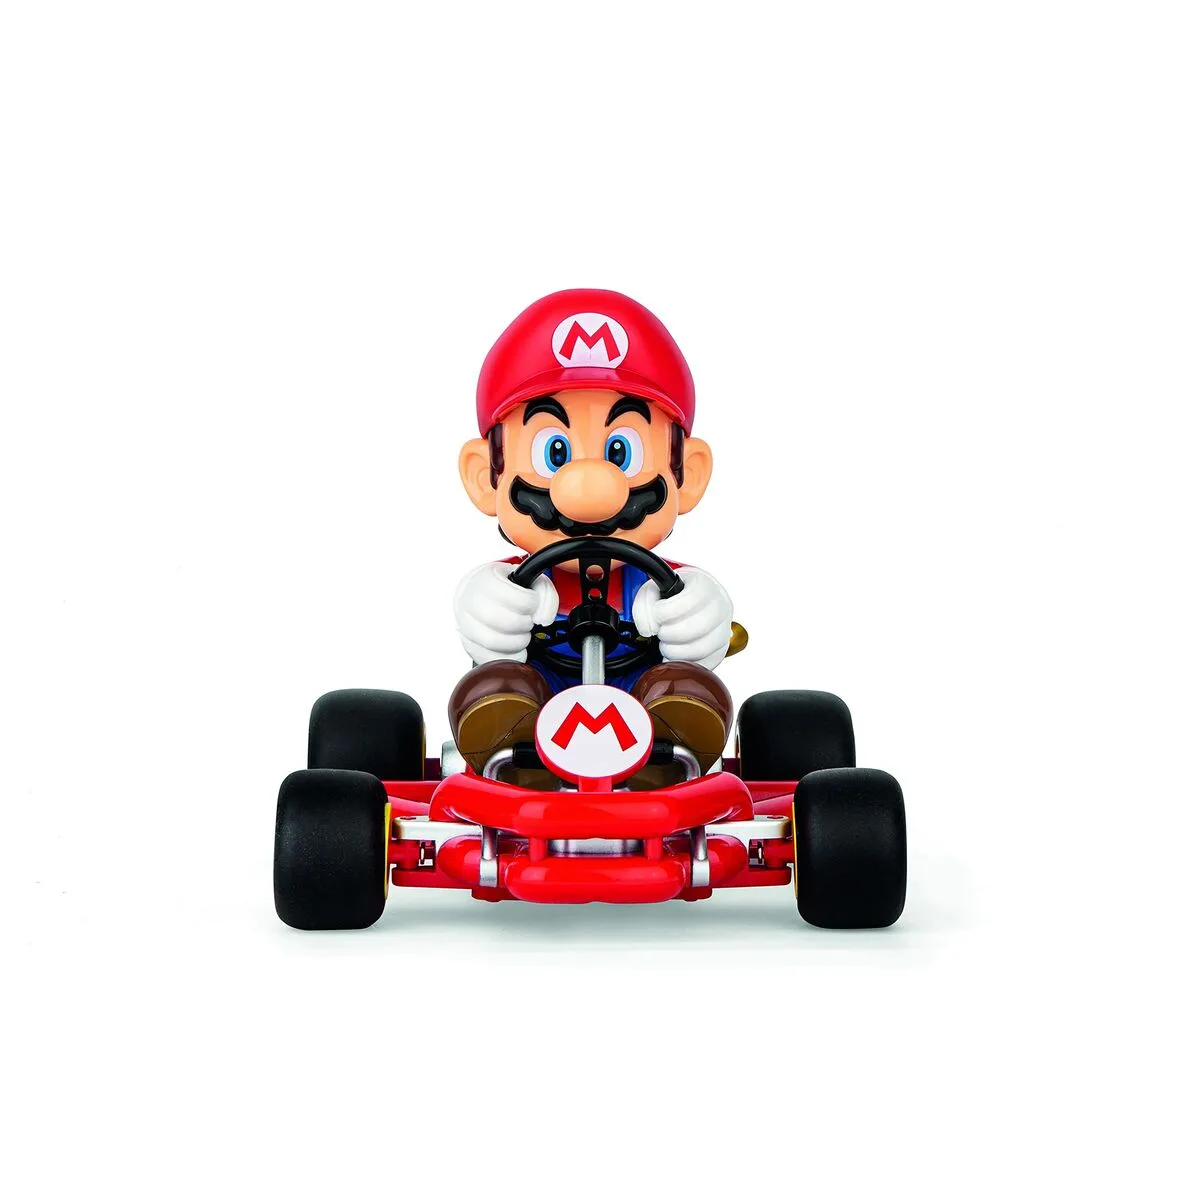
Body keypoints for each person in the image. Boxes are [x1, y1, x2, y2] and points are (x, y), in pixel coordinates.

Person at [451, 288, 738, 776]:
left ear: (687, 473)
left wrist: (697, 622)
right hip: (532, 742)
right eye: (555, 453)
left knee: (686, 687)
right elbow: (484, 610)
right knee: (497, 685)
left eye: (621, 453)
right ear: (485, 475)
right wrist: (490, 617)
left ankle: (674, 746)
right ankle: (506, 740)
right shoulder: (510, 584)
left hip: (648, 737)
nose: (589, 488)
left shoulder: (666, 586)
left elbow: (700, 614)